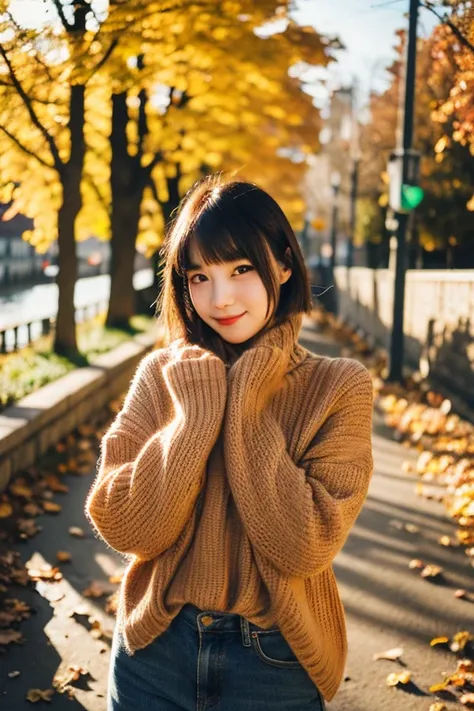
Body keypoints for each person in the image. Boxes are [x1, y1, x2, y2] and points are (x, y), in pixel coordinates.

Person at [85, 174, 374, 711]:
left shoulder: (339, 386)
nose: (219, 298)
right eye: (199, 276)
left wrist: (244, 398)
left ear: (283, 265)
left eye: (241, 269)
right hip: (155, 650)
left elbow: (302, 546)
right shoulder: (162, 376)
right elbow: (127, 527)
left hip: (274, 663)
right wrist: (191, 419)